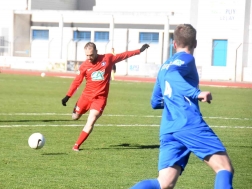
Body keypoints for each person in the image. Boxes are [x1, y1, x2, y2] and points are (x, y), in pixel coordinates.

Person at [130, 24, 234, 189]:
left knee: (164, 183)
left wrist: (174, 98)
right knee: (224, 168)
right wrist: (196, 93)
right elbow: (174, 76)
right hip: (188, 123)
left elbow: (155, 101)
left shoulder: (164, 66)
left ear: (174, 44)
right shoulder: (187, 58)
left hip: (169, 128)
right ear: (196, 43)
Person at [61, 42, 149, 151]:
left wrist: (139, 51)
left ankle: (76, 145)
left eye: (91, 55)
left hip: (100, 99)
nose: (89, 58)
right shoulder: (84, 66)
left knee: (91, 119)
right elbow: (77, 82)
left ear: (96, 52)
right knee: (75, 117)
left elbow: (123, 55)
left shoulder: (107, 58)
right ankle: (78, 111)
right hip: (86, 97)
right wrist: (67, 96)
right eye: (87, 55)